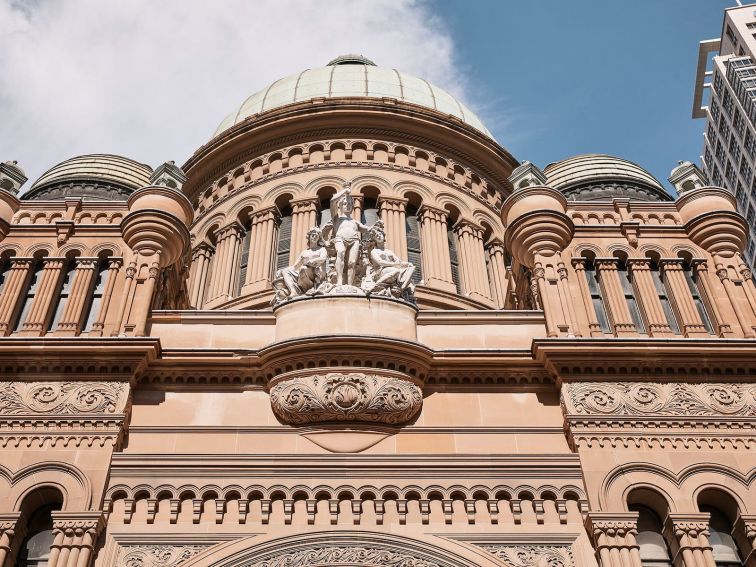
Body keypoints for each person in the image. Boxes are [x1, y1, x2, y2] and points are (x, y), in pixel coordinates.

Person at [323, 182, 370, 286]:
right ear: (340, 205)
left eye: (350, 204)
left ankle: (349, 285)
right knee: (340, 252)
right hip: (340, 239)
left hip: (354, 240)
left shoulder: (354, 221)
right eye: (345, 203)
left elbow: (366, 229)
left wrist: (375, 227)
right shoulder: (336, 218)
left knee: (352, 262)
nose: (347, 205)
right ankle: (339, 280)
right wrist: (345, 191)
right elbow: (332, 201)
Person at [273, 227, 328, 302]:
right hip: (304, 273)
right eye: (313, 235)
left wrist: (312, 261)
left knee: (303, 268)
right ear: (309, 237)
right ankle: (293, 291)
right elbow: (295, 267)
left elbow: (323, 258)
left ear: (319, 238)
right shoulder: (305, 252)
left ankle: (310, 287)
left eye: (316, 236)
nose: (314, 237)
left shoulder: (321, 249)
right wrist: (282, 271)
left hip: (316, 274)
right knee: (286, 271)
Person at [366, 223, 415, 296]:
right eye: (376, 236)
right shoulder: (374, 251)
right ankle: (376, 284)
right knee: (396, 271)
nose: (379, 236)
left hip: (392, 270)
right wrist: (394, 264)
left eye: (380, 234)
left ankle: (401, 289)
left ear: (384, 236)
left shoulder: (389, 251)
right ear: (375, 240)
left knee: (411, 269)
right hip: (381, 272)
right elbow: (380, 262)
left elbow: (399, 262)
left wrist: (408, 264)